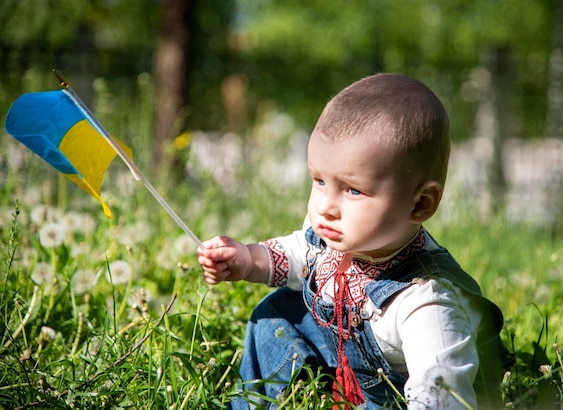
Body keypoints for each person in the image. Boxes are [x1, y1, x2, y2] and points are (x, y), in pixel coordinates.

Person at [197, 73, 508, 409]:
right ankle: (272, 401)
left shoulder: (426, 304)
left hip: (394, 394)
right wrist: (246, 258)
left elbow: (443, 396)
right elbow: (298, 253)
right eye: (318, 181)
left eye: (353, 190)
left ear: (420, 204)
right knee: (274, 313)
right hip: (344, 357)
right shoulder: (337, 236)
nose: (326, 207)